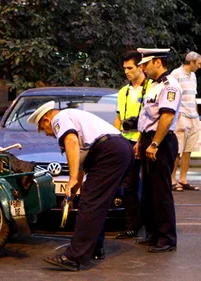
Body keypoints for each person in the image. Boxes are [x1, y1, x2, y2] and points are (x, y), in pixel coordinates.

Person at [32, 101, 133, 271]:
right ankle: (94, 248)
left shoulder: (59, 118)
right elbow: (79, 162)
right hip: (118, 150)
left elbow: (71, 142)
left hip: (109, 152)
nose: (49, 135)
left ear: (46, 120)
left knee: (90, 204)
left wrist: (71, 178)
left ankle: (74, 257)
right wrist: (74, 189)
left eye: (45, 130)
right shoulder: (74, 119)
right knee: (94, 201)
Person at [134, 48, 181, 253]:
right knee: (149, 191)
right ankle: (153, 234)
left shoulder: (170, 86)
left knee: (161, 191)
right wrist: (140, 141)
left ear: (158, 62)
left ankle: (167, 238)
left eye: (146, 63)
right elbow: (146, 117)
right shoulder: (152, 85)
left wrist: (154, 143)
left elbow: (167, 117)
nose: (142, 67)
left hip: (160, 141)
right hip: (148, 139)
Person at [113, 51, 153, 239]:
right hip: (126, 141)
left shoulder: (153, 87)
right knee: (129, 185)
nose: (127, 72)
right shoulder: (123, 91)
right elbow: (119, 118)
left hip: (147, 140)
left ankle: (151, 227)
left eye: (130, 68)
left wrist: (141, 141)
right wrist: (114, 139)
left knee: (150, 186)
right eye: (125, 69)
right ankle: (132, 225)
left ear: (141, 67)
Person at [170, 51, 201, 191]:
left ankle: (183, 179)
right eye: (199, 63)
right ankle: (172, 179)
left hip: (193, 116)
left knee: (188, 150)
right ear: (192, 62)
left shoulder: (193, 76)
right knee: (177, 149)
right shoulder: (176, 74)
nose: (200, 67)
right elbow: (171, 93)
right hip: (182, 116)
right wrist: (177, 115)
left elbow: (193, 96)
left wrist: (196, 114)